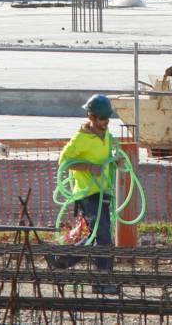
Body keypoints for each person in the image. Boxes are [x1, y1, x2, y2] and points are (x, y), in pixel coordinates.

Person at [46, 95, 121, 294]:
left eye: (107, 119)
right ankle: (101, 282)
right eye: (102, 119)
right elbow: (64, 161)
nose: (106, 122)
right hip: (88, 193)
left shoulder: (106, 136)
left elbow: (106, 158)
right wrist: (88, 166)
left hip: (103, 191)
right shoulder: (80, 138)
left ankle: (60, 258)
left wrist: (115, 161)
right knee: (103, 237)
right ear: (91, 116)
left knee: (97, 236)